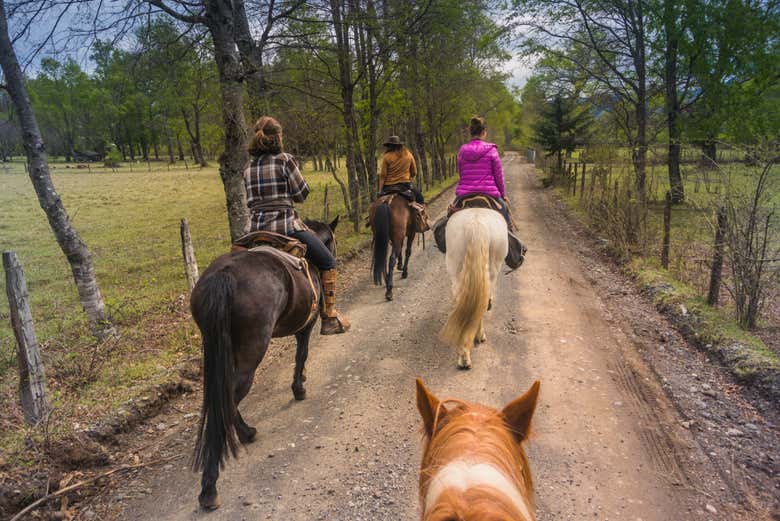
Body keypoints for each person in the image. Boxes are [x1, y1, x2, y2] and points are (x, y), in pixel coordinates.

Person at [243, 116, 350, 335]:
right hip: (286, 227)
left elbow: (250, 201)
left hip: (254, 231)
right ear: (278, 137)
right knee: (328, 261)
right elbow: (302, 194)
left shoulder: (248, 168)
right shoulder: (285, 160)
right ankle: (329, 317)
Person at [455, 116, 513, 229]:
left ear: (470, 132)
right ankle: (510, 235)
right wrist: (503, 194)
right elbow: (498, 176)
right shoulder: (492, 150)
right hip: (489, 192)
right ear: (484, 132)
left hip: (465, 193)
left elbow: (461, 174)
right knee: (504, 211)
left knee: (449, 216)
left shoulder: (462, 150)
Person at [378, 135, 424, 204]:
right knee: (420, 198)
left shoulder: (386, 156)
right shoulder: (408, 154)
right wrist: (407, 178)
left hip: (388, 187)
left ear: (389, 146)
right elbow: (414, 172)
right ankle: (423, 214)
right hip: (405, 185)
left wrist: (380, 190)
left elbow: (383, 175)